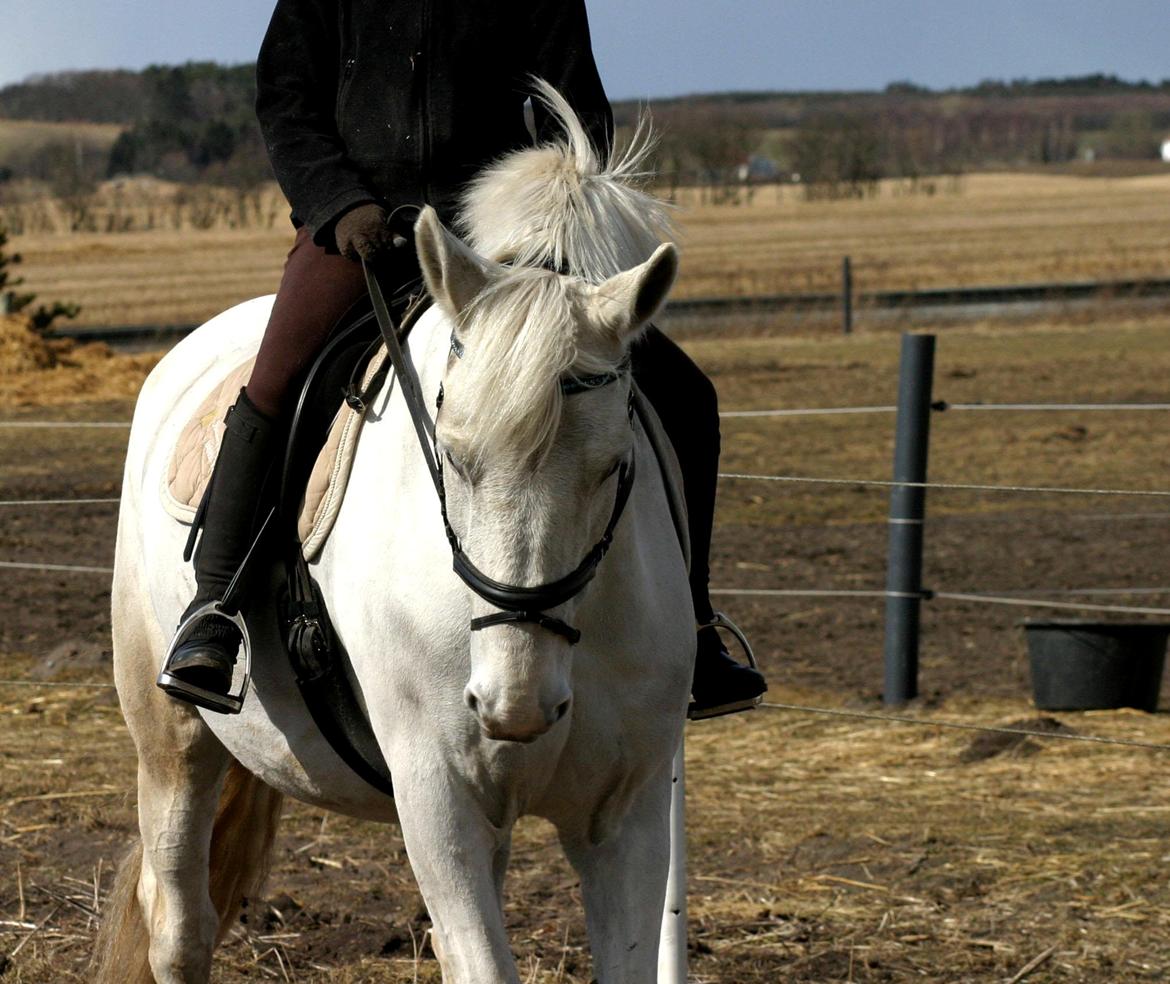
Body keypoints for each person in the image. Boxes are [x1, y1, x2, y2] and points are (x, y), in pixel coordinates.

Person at [160, 0, 766, 717]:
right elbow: (286, 102)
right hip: (362, 233)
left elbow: (582, 121)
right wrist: (341, 202)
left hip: (505, 251)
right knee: (274, 382)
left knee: (687, 394)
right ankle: (215, 607)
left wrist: (537, 224)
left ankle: (692, 623)